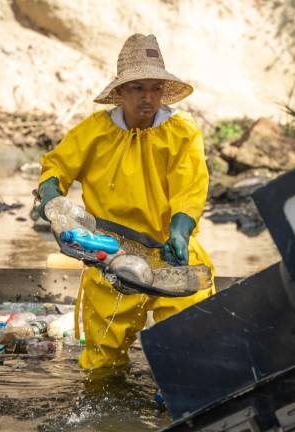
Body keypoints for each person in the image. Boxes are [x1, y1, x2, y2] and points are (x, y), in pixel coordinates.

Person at [35, 34, 215, 371]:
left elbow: (190, 186)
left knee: (190, 350)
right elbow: (57, 165)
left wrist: (180, 227)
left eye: (155, 88)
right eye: (138, 88)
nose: (148, 98)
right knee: (102, 363)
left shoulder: (183, 132)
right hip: (110, 257)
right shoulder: (93, 133)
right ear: (120, 92)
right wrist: (49, 194)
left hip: (170, 255)